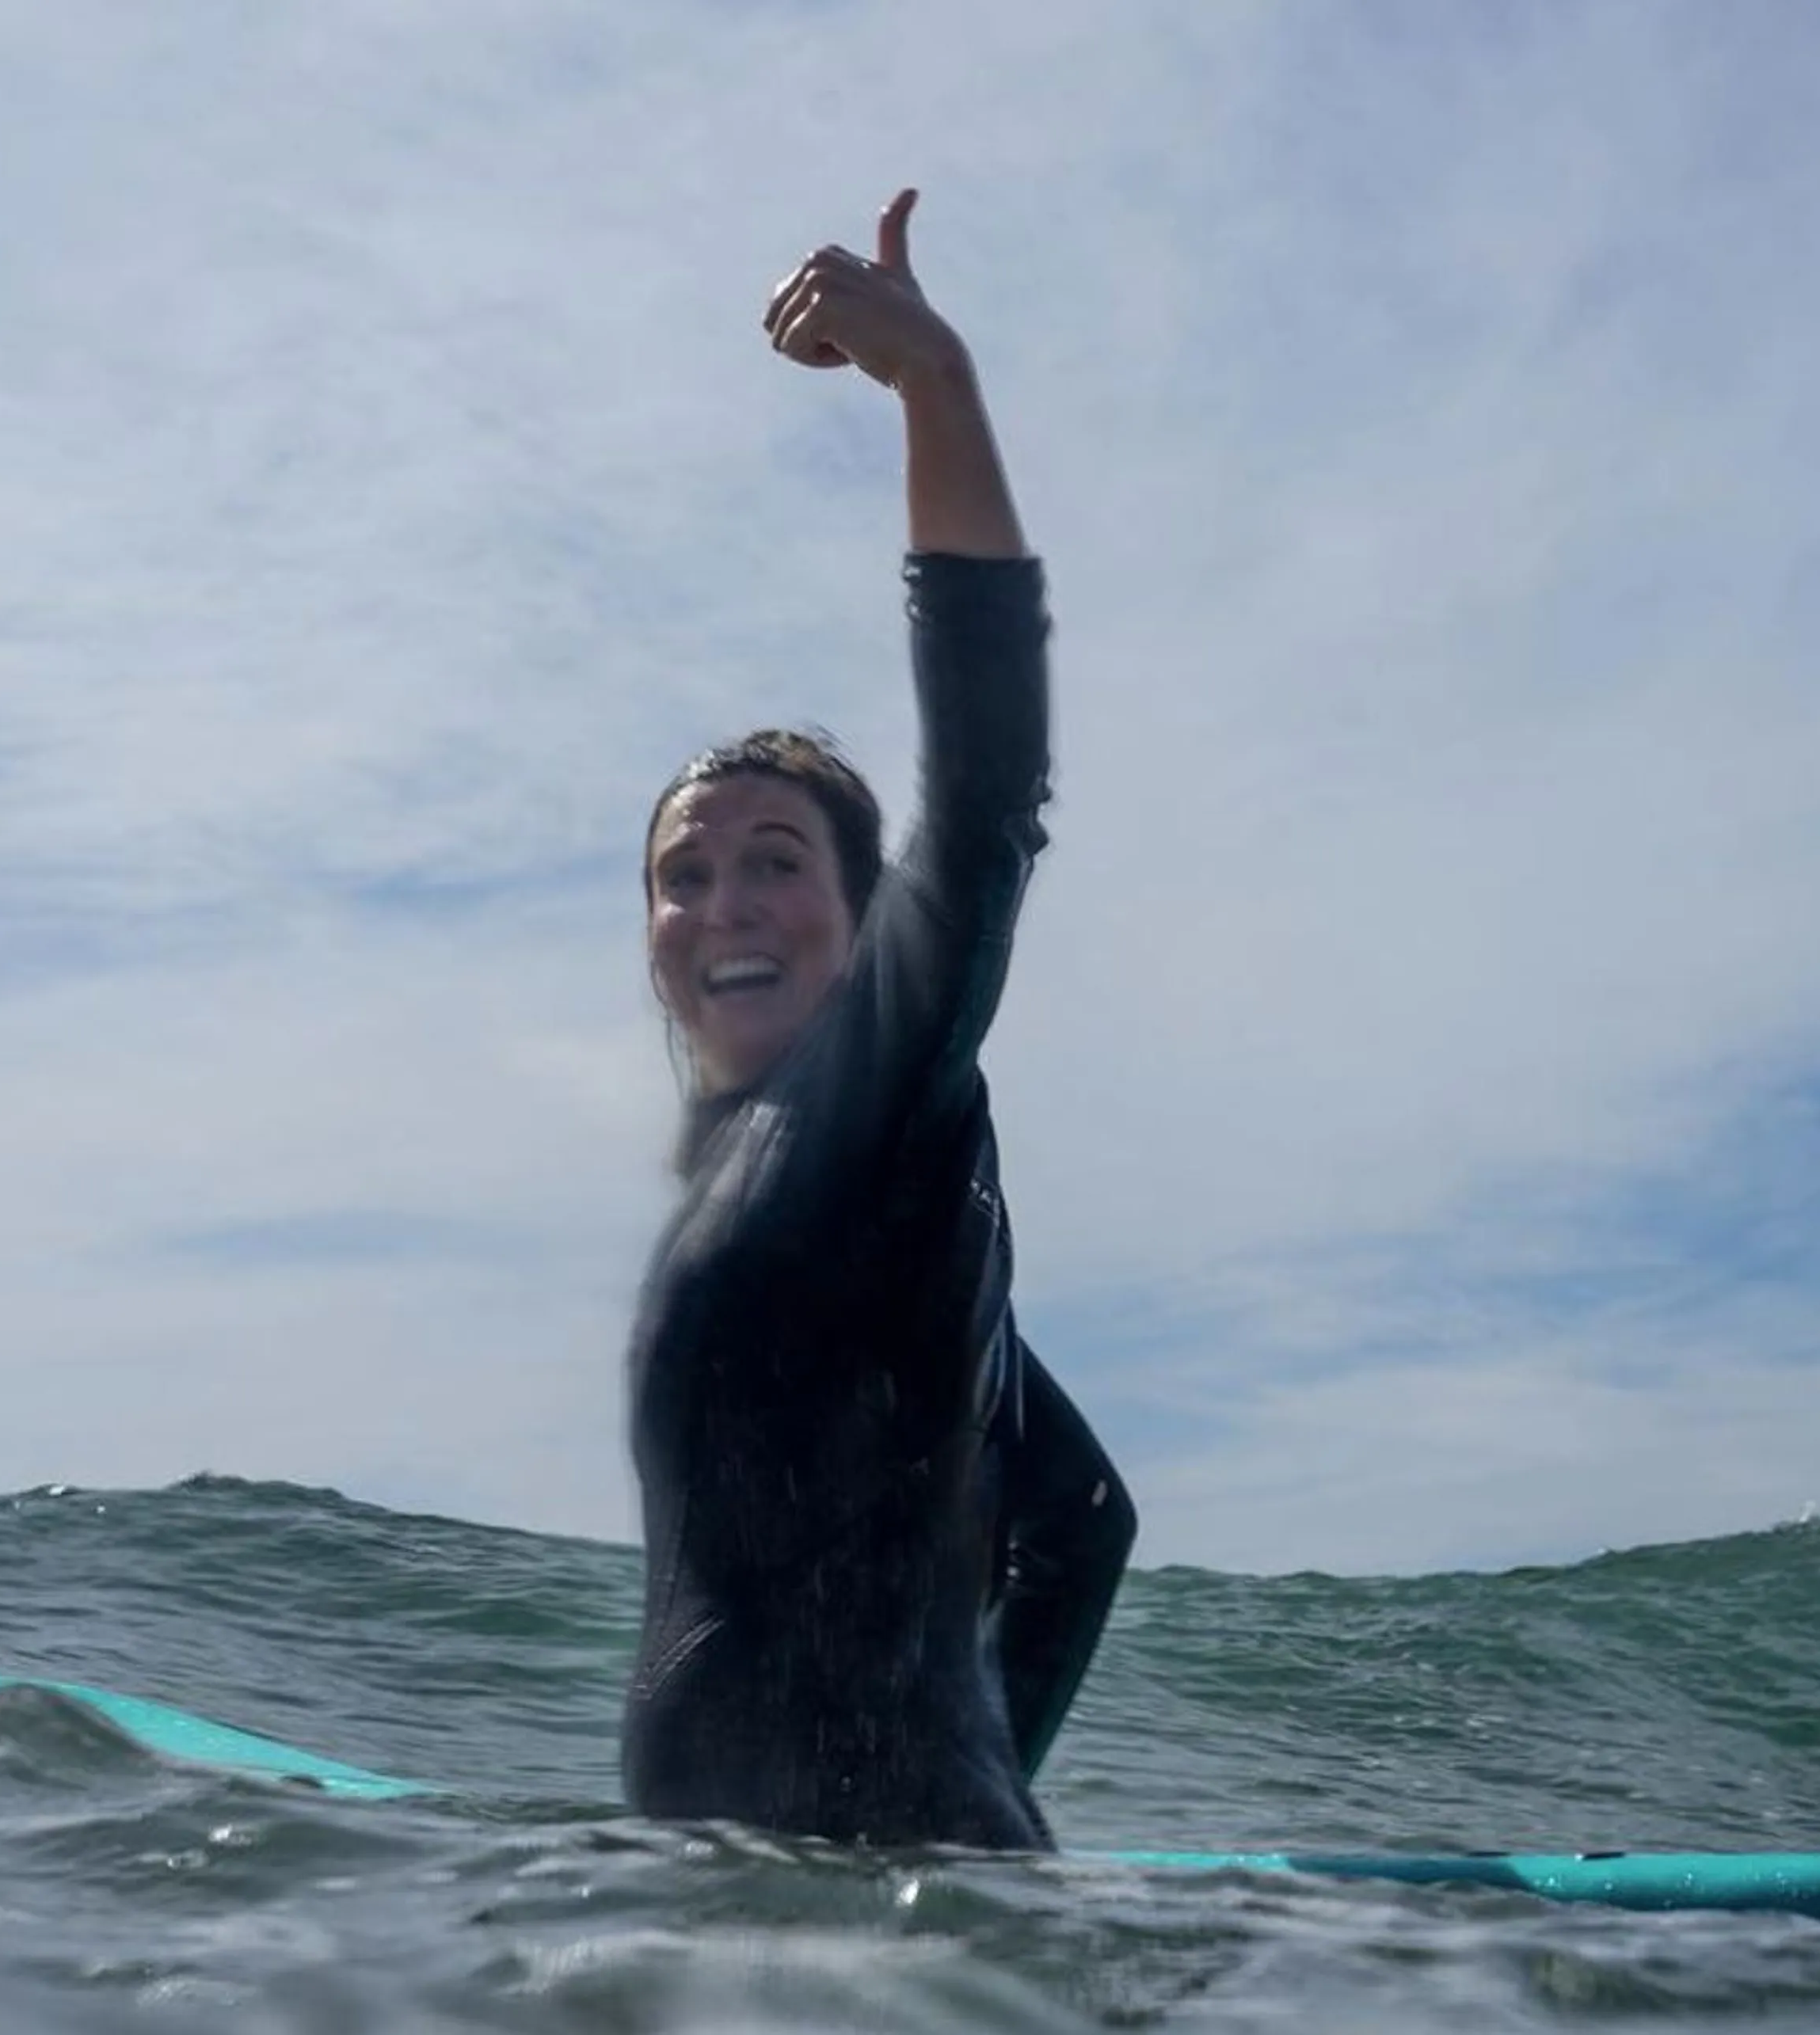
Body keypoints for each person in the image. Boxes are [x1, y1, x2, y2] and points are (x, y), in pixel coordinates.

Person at [619, 190, 1136, 1851]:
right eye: (681, 877)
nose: (722, 909)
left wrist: (934, 387)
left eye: (776, 865)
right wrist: (982, 1808)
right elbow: (1082, 1516)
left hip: (827, 1950)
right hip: (835, 1913)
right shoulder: (832, 1195)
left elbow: (985, 810)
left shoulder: (869, 1097)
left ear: (862, 929)